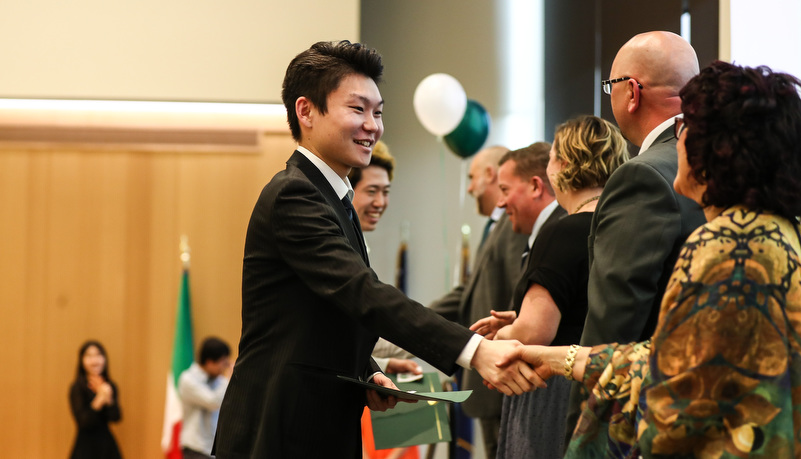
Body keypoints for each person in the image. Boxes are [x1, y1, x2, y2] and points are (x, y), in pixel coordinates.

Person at [213, 40, 534, 459]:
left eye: (378, 112)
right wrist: (475, 350)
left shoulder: (334, 197)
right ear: (306, 111)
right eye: (357, 109)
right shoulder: (295, 195)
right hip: (280, 428)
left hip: (317, 424)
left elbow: (324, 314)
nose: (372, 125)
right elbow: (361, 292)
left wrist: (368, 371)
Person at [505, 61, 801, 458]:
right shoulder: (773, 231)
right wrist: (558, 357)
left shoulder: (724, 243)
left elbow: (674, 382)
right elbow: (679, 354)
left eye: (683, 128)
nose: (676, 140)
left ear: (711, 149)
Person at [566, 30, 707, 439]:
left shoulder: (642, 176)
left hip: (646, 421)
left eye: (610, 85)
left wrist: (580, 434)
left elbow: (613, 327)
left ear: (632, 93)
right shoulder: (724, 161)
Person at [472, 118, 628, 459]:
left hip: (555, 390)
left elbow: (534, 332)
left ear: (566, 165)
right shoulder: (623, 227)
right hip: (609, 383)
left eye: (553, 158)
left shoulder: (562, 231)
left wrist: (496, 339)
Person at [428, 145, 529, 458]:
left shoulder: (512, 228)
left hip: (501, 379)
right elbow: (470, 292)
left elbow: (518, 295)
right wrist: (411, 318)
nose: (469, 188)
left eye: (471, 178)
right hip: (491, 384)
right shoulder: (495, 226)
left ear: (489, 174)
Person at [178, 337, 232, 459]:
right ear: (209, 362)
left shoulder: (220, 381)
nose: (225, 367)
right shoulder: (188, 379)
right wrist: (230, 378)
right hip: (196, 447)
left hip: (215, 448)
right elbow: (213, 401)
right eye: (223, 362)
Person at [68, 340, 122, 459]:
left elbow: (116, 417)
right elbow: (83, 421)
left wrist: (109, 399)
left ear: (104, 359)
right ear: (82, 360)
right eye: (89, 356)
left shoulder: (110, 386)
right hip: (85, 446)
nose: (94, 360)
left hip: (106, 444)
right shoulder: (77, 387)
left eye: (98, 355)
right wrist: (99, 399)